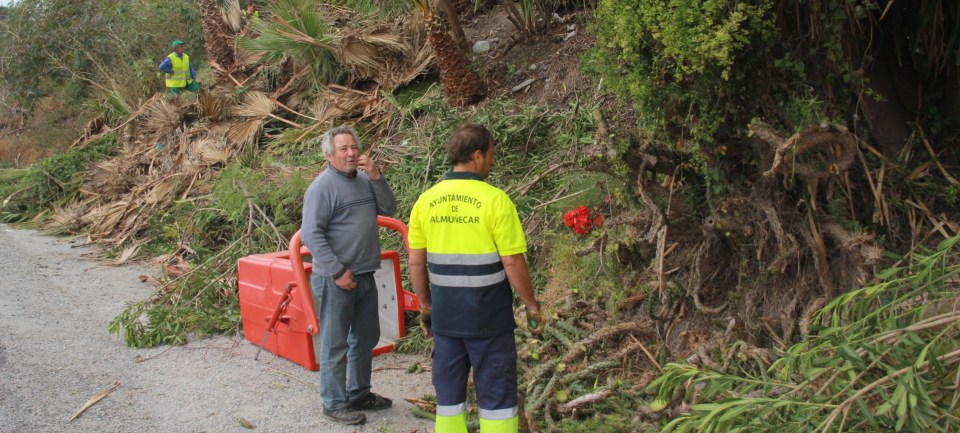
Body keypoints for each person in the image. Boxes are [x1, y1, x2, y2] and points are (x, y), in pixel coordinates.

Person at [407, 123, 545, 433]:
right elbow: (511, 260)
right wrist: (531, 305)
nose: (493, 162)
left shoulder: (426, 201)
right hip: (488, 320)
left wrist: (426, 306)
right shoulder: (495, 200)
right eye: (492, 155)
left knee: (449, 401)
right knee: (497, 399)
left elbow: (416, 262)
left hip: (445, 319)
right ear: (478, 155)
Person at [300, 125, 398, 425]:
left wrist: (377, 176)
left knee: (365, 338)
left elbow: (389, 209)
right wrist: (338, 271)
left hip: (366, 274)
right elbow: (311, 235)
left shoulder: (365, 182)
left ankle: (358, 393)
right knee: (335, 343)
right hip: (336, 278)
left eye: (353, 146)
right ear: (329, 155)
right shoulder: (322, 187)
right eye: (343, 149)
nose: (351, 153)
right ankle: (333, 402)